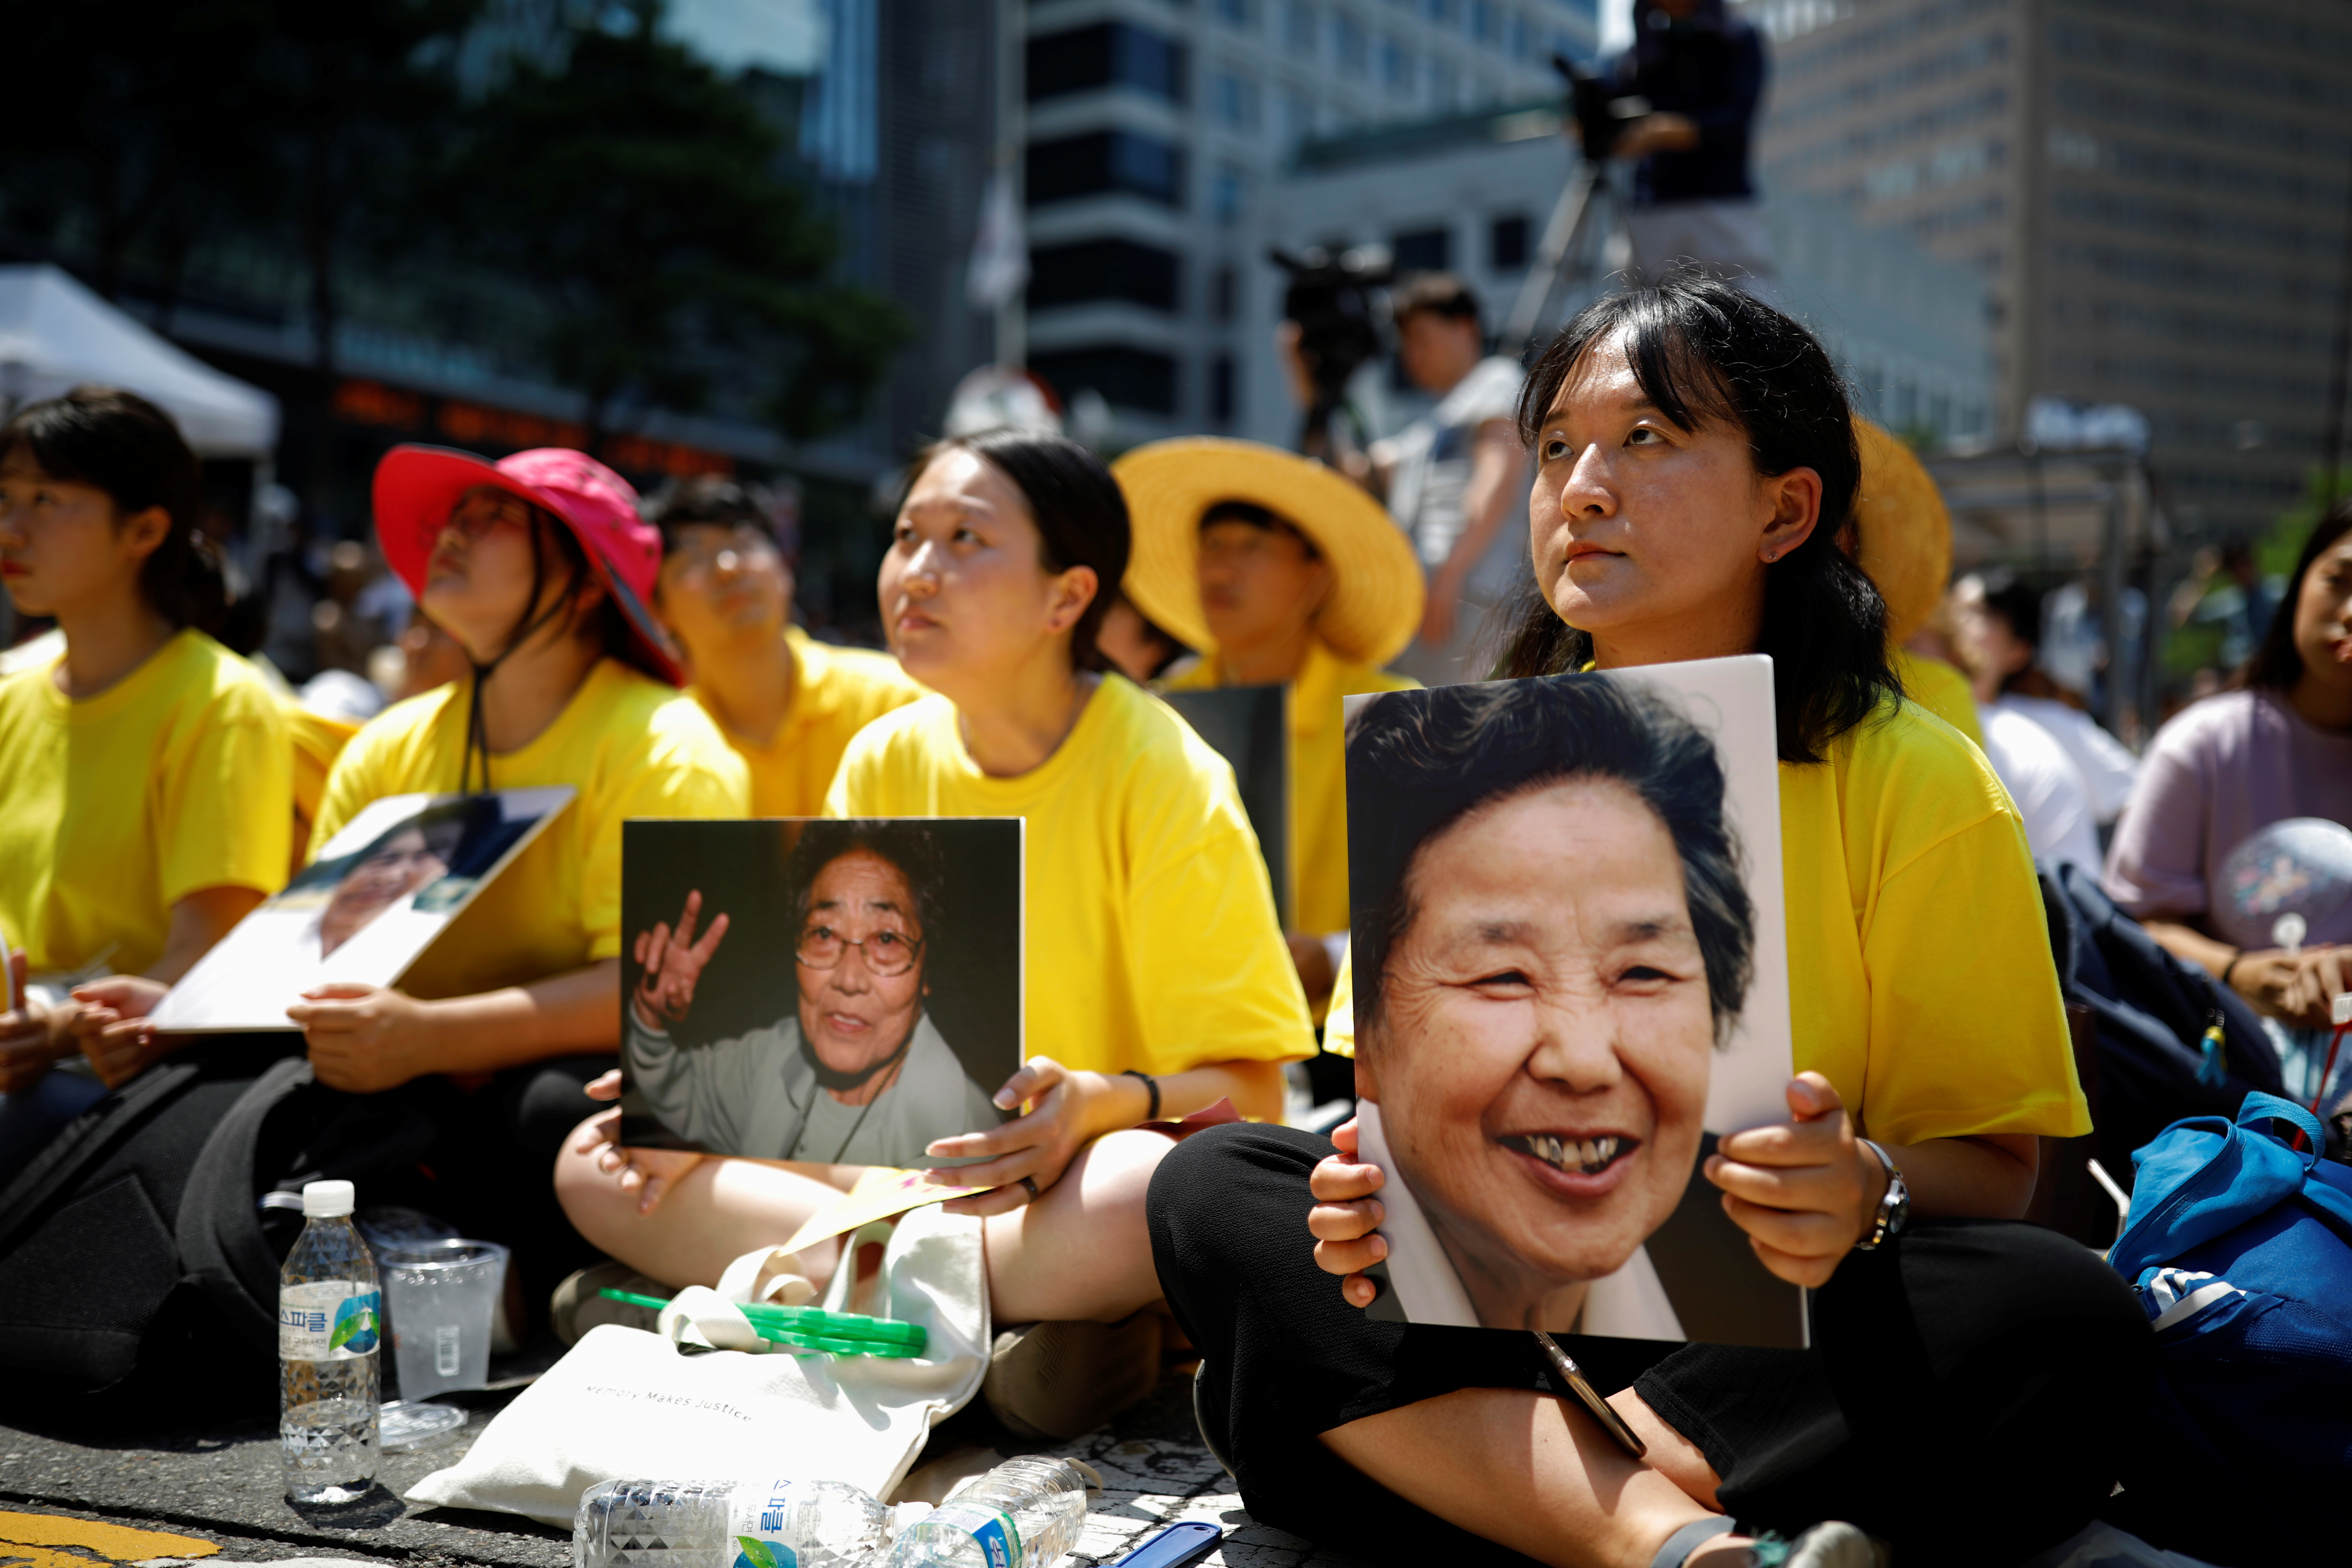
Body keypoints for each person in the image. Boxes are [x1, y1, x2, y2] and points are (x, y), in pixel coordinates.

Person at [1149, 276, 2148, 1567]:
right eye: (1555, 446)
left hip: (1755, 1328)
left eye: (1647, 441)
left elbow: (1994, 1170)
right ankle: (1652, 1536)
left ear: (1782, 511)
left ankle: (1493, 1480)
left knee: (2061, 1308)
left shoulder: (1909, 776)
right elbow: (1382, 1116)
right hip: (1501, 1302)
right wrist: (1358, 1191)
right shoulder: (1446, 759)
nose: (1580, 486)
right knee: (1214, 1185)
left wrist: (1862, 1187)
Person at [556, 431, 1314, 1406]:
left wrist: (1092, 1102)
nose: (918, 570)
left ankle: (775, 1305)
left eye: (966, 539)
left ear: (1068, 597)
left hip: (1060, 1186)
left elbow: (1251, 1096)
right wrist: (696, 1085)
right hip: (896, 1173)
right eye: (908, 535)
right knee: (596, 1159)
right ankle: (979, 1330)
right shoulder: (883, 757)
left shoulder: (1165, 775)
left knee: (1145, 1191)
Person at [1344, 677, 1754, 1336]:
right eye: (1504, 977)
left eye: (1643, 972)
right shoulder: (1285, 1254)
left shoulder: (1760, 1278)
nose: (1585, 1061)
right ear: (1366, 1034)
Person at [0, 388, 292, 1180]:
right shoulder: (9, 688)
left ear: (146, 529)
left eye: (47, 500)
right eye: (8, 497)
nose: (11, 528)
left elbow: (206, 959)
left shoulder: (222, 702)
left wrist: (57, 1025)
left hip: (114, 1091)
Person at [1116, 438, 1423, 1007]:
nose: (1222, 565)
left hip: (1341, 1041)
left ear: (1316, 574)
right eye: (1211, 545)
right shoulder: (1148, 714)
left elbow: (1441, 904)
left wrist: (1334, 958)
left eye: (1251, 545)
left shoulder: (1394, 716)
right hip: (1182, 1031)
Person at [2105, 502, 2352, 1094]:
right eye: (2338, 581)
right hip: (2224, 1097)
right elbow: (2136, 926)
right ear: (2295, 590)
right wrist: (2237, 974)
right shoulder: (2203, 744)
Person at [623, 820, 1001, 1165]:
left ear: (927, 971)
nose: (849, 979)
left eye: (887, 939)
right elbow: (679, 1087)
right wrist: (651, 1011)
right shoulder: (769, 1059)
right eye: (824, 934)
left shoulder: (968, 1132)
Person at [643, 475, 926, 818]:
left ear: (786, 567)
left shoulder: (900, 705)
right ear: (656, 608)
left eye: (745, 544)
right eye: (693, 558)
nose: (728, 568)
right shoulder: (658, 746)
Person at [1370, 274, 1528, 684]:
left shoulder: (1496, 379)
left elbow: (1497, 477)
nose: (1412, 353)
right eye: (1406, 342)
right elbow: (1363, 470)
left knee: (1460, 733)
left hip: (1469, 597)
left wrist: (1452, 573)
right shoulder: (1429, 423)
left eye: (1422, 337)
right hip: (1429, 603)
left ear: (1465, 329)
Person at [1597, 0, 1776, 302]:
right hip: (1651, 207)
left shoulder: (1737, 39)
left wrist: (1669, 130)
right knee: (1642, 315)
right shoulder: (1637, 54)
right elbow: (1611, 106)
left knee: (1748, 310)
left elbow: (1736, 118)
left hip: (1721, 201)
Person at [1956, 568, 2140, 822]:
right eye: (1952, 609)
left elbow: (2138, 797)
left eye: (1980, 613)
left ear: (2018, 651)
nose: (1956, 624)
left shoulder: (2051, 723)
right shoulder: (1911, 715)